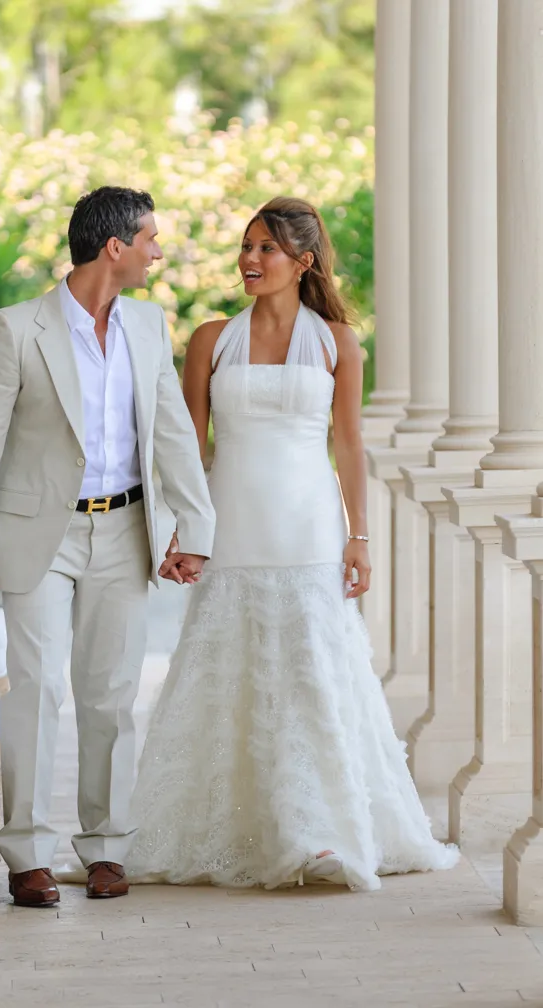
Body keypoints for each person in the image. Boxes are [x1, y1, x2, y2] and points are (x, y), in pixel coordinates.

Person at [124, 197, 459, 891]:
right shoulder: (212, 339)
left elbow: (348, 444)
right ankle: (233, 830)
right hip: (232, 523)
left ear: (301, 262)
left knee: (311, 672)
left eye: (264, 249)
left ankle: (322, 834)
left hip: (308, 523)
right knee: (229, 672)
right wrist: (183, 530)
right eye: (245, 247)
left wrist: (359, 537)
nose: (248, 260)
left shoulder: (337, 341)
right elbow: (187, 448)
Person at [0, 186, 215, 908]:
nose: (159, 251)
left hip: (126, 527)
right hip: (40, 530)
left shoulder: (151, 325)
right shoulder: (15, 328)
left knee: (112, 694)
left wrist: (197, 528)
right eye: (151, 238)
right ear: (114, 248)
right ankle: (27, 855)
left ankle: (105, 850)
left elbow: (172, 437)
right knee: (35, 687)